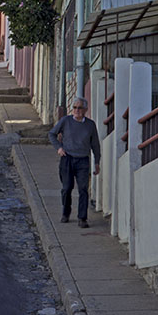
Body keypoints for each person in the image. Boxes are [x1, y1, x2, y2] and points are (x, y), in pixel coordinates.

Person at [48, 97, 101, 228]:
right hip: (67, 158)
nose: (77, 110)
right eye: (75, 108)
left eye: (80, 108)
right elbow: (52, 134)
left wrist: (97, 162)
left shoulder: (90, 125)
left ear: (86, 110)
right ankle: (66, 212)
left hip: (83, 160)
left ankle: (82, 218)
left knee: (83, 189)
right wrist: (59, 148)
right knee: (67, 188)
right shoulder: (65, 121)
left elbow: (95, 144)